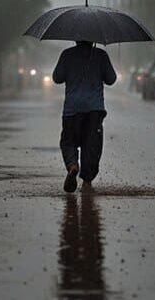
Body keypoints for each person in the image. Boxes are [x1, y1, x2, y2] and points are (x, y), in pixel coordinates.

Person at [53, 40, 117, 193]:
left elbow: (57, 77)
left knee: (68, 141)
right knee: (92, 145)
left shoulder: (67, 55)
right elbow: (111, 79)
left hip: (72, 109)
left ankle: (72, 165)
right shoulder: (101, 55)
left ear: (76, 39)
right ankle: (87, 181)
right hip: (94, 110)